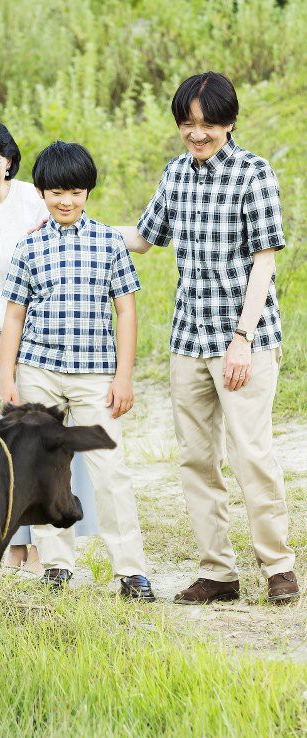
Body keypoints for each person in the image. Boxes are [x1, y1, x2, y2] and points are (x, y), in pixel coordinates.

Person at [118, 72, 298, 604]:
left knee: (251, 454)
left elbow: (264, 262)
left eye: (208, 124)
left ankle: (278, 566)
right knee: (196, 458)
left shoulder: (253, 174)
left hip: (245, 338)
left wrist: (242, 338)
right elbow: (145, 239)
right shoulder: (175, 174)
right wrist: (73, 223)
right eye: (188, 124)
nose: (198, 134)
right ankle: (217, 572)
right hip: (188, 340)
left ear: (229, 121)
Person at [0, 140, 155, 600]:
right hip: (39, 372)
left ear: (88, 192)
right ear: (41, 192)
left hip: (95, 376)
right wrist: (8, 377)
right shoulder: (28, 247)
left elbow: (126, 312)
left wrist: (123, 376)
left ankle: (131, 570)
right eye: (56, 192)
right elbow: (14, 315)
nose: (66, 201)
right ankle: (57, 564)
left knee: (110, 469)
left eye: (76, 192)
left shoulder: (108, 242)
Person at [0, 118, 98, 571]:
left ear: (9, 160)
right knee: (2, 439)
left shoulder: (36, 196)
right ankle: (12, 542)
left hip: (49, 325)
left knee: (43, 439)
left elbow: (73, 235)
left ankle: (45, 548)